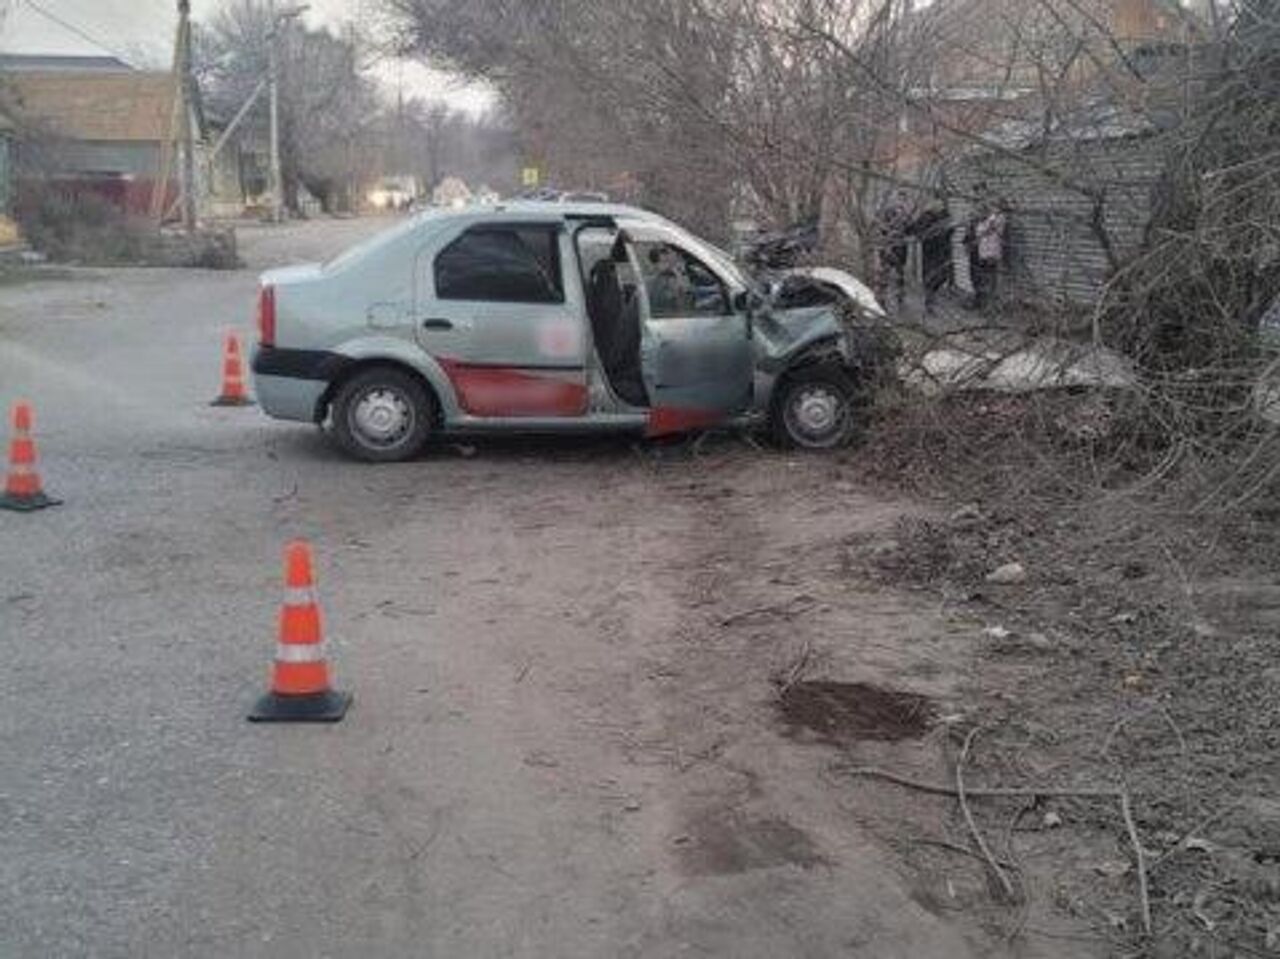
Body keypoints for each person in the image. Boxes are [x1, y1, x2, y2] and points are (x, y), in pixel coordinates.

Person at [972, 201, 1007, 309]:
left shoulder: (999, 218)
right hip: (983, 253)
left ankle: (993, 304)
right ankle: (986, 303)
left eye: (994, 207)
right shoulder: (985, 221)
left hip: (992, 252)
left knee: (992, 279)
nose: (992, 209)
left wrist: (990, 220)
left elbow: (988, 228)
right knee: (985, 278)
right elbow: (979, 231)